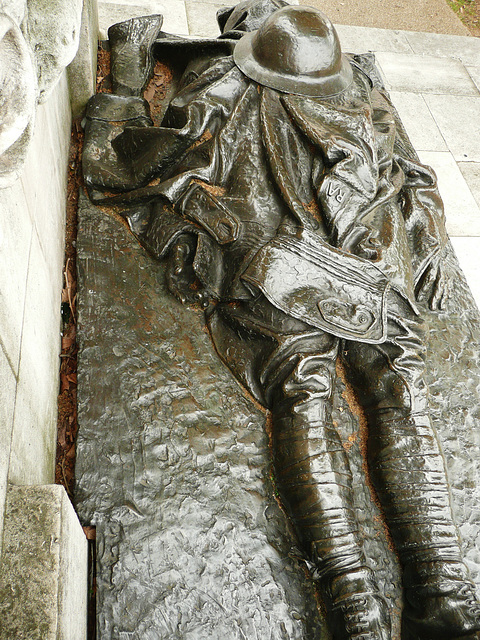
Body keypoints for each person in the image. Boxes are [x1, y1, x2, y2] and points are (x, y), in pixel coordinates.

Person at [83, 3, 480, 638]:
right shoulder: (351, 85)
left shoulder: (218, 81)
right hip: (357, 268)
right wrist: (427, 234)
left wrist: (127, 81)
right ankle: (440, 593)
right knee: (390, 391)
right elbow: (411, 170)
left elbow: (118, 160)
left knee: (308, 394)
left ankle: (359, 608)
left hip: (283, 273)